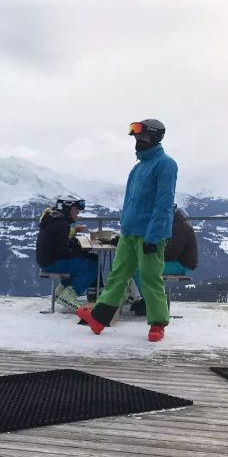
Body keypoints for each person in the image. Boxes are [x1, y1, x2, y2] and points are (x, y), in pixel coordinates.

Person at [78, 119, 176, 342]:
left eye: (141, 137)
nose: (137, 142)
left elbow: (164, 203)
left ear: (155, 137)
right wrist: (124, 226)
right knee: (117, 276)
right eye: (135, 137)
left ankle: (158, 324)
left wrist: (153, 236)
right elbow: (130, 201)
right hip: (129, 233)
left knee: (150, 278)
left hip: (150, 234)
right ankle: (99, 318)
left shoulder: (165, 164)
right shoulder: (138, 167)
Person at [131, 205, 198, 315]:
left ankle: (150, 302)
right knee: (142, 267)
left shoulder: (179, 227)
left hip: (182, 264)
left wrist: (153, 254)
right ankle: (149, 299)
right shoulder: (175, 224)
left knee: (141, 269)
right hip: (178, 262)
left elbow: (171, 253)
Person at [35, 195, 98, 310]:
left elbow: (62, 245)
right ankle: (69, 295)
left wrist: (78, 252)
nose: (78, 212)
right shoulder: (61, 224)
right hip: (52, 263)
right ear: (67, 208)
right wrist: (80, 254)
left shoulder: (54, 218)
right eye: (76, 209)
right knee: (93, 266)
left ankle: (62, 290)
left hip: (46, 260)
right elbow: (63, 251)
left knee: (86, 259)